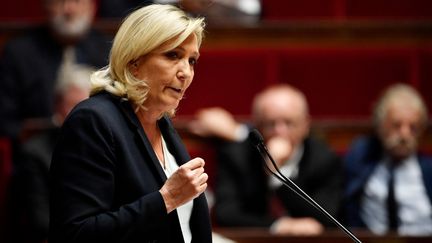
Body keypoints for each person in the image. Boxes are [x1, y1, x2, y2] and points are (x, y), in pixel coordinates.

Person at [49, 4, 212, 243]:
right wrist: (165, 199)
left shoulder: (162, 124)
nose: (185, 72)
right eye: (173, 55)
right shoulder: (93, 121)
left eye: (192, 61)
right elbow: (76, 234)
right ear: (134, 60)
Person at [189, 84, 343, 235]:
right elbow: (226, 214)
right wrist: (277, 226)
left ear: (305, 125)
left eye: (289, 123)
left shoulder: (324, 158)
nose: (280, 131)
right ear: (257, 125)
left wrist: (278, 174)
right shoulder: (236, 156)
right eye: (271, 124)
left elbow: (328, 218)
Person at [0, 0, 110, 142]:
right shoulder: (19, 53)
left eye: (77, 1)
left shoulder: (109, 51)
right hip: (39, 153)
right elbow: (6, 120)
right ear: (45, 6)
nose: (69, 10)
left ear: (92, 7)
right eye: (59, 2)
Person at [7, 63, 94, 243]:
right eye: (73, 105)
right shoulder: (34, 153)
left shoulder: (110, 147)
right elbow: (40, 222)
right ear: (57, 106)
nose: (81, 114)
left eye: (88, 106)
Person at [344, 83, 432, 236]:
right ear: (380, 125)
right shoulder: (360, 158)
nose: (405, 135)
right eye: (396, 125)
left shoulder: (429, 170)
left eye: (413, 127)